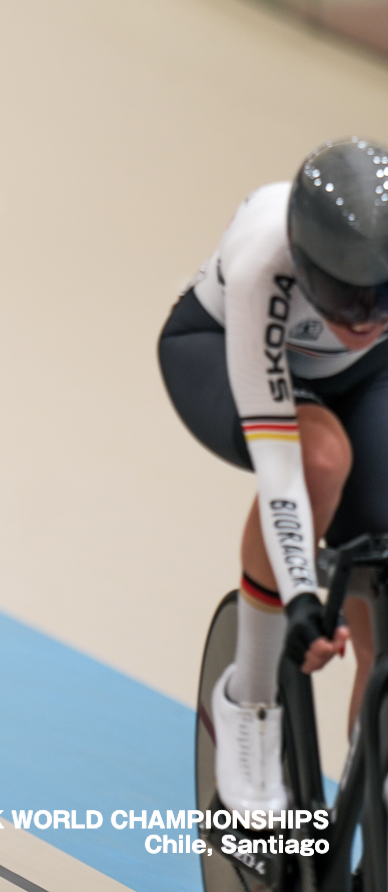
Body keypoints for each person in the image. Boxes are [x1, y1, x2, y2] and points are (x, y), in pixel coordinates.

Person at [159, 138, 388, 812]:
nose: (362, 318)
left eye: (379, 297)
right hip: (222, 353)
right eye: (344, 298)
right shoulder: (265, 251)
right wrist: (299, 599)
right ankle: (249, 698)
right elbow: (281, 460)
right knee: (320, 459)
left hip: (363, 378)